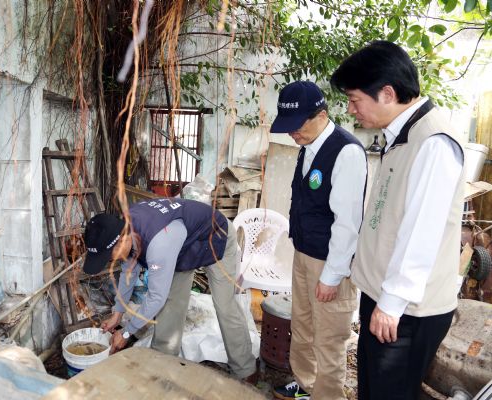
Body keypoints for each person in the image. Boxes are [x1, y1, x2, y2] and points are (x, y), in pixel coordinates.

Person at [330, 40, 465, 400]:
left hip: (406, 310)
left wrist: (390, 304)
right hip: (384, 297)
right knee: (372, 390)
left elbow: (422, 230)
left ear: (387, 93)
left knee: (390, 393)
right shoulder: (400, 136)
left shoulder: (433, 141)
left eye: (355, 99)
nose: (351, 109)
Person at [83, 198, 258, 382]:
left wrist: (127, 332)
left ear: (122, 240)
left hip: (216, 237)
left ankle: (245, 369)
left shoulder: (159, 242)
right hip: (184, 246)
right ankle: (163, 364)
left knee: (224, 305)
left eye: (109, 256)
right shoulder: (123, 228)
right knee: (171, 303)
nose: (111, 261)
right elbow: (129, 273)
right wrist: (117, 314)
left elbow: (156, 297)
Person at [270, 81, 368, 400]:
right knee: (302, 326)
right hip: (304, 253)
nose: (291, 134)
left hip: (331, 262)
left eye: (296, 126)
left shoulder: (347, 151)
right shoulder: (307, 147)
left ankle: (326, 396)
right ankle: (305, 385)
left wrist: (332, 276)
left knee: (328, 338)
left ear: (321, 115)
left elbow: (347, 223)